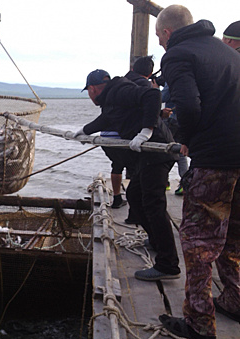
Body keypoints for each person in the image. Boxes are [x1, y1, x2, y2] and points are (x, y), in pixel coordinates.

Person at [155, 6, 240, 339]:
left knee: (198, 246)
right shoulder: (227, 53)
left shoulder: (178, 54)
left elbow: (188, 107)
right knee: (233, 239)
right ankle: (235, 300)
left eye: (160, 38)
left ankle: (199, 326)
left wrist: (187, 138)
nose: (161, 44)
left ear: (166, 33)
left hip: (214, 163)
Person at [75, 69, 180, 282]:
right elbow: (106, 119)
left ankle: (168, 264)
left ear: (93, 89)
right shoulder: (112, 100)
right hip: (147, 155)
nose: (90, 95)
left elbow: (153, 95)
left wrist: (146, 131)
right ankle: (156, 241)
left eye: (88, 92)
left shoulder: (120, 90)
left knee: (153, 204)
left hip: (156, 150)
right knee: (134, 195)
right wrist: (85, 131)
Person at [99, 57, 154, 211]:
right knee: (137, 170)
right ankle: (134, 209)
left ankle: (117, 198)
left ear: (132, 69)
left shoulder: (118, 83)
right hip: (124, 135)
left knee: (117, 166)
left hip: (106, 135)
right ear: (149, 73)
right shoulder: (144, 85)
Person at [160, 83, 189, 195]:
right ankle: (184, 182)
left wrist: (154, 89)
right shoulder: (189, 79)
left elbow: (163, 97)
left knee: (164, 150)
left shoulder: (171, 79)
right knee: (181, 151)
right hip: (183, 120)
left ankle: (164, 181)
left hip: (171, 120)